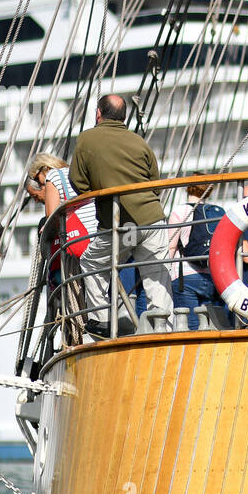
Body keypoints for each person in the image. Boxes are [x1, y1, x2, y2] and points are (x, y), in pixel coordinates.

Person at [70, 93, 173, 337]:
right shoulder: (139, 141)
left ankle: (101, 321)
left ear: (98, 114)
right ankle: (163, 329)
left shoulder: (87, 139)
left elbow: (78, 182)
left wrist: (100, 190)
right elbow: (155, 183)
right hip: (152, 219)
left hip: (121, 225)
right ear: (124, 117)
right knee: (156, 276)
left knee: (93, 263)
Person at [26, 152, 96, 344]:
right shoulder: (74, 171)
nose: (40, 183)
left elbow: (52, 215)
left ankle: (84, 332)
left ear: (42, 170)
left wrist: (47, 226)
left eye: (36, 178)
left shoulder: (53, 177)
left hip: (78, 240)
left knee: (75, 290)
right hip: (96, 232)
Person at [166, 176, 228, 330]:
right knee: (211, 325)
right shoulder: (216, 212)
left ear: (188, 187)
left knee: (190, 327)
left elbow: (171, 247)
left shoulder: (180, 211)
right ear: (208, 191)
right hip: (211, 276)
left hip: (184, 278)